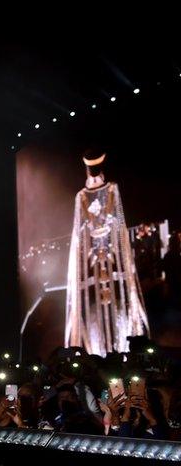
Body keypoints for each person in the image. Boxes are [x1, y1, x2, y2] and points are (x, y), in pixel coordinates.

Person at [64, 148, 149, 356]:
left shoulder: (112, 190)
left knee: (119, 317)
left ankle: (123, 358)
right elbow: (79, 235)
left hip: (113, 267)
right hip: (93, 272)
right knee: (96, 322)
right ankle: (100, 360)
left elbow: (119, 225)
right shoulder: (81, 197)